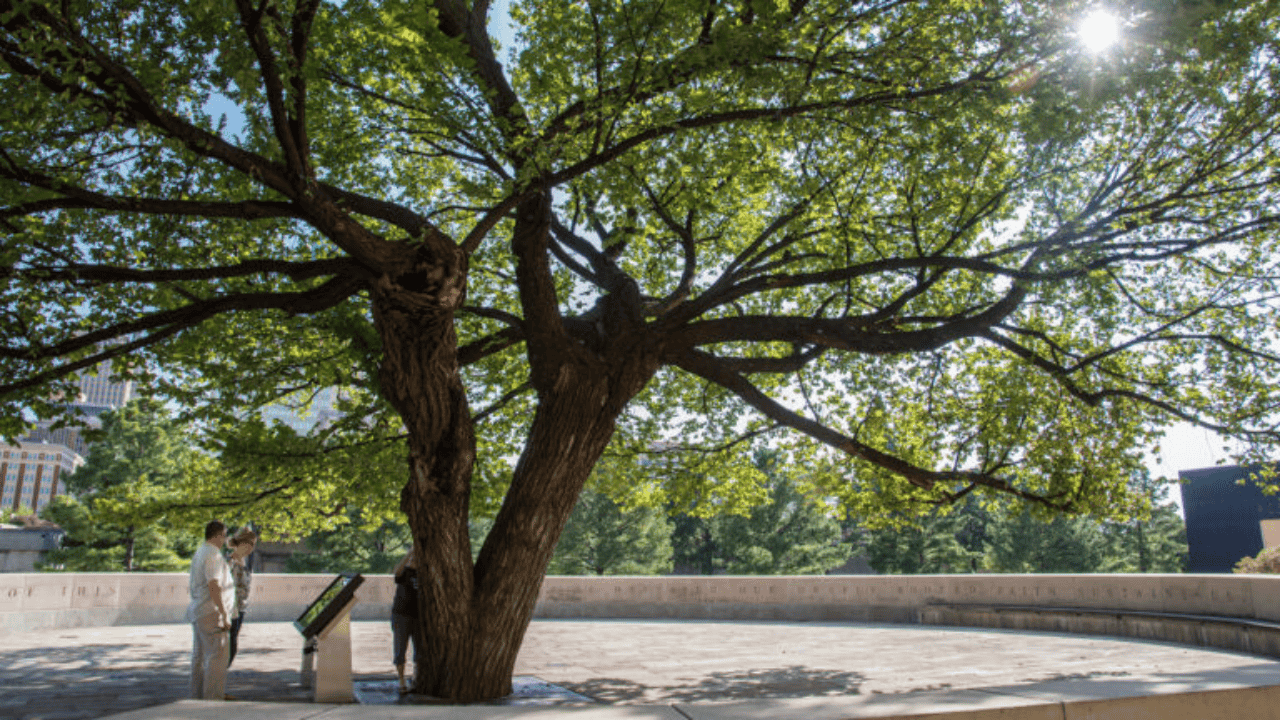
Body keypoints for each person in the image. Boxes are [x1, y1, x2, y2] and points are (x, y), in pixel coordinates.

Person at [186, 520, 234, 700]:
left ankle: (196, 696)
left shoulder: (201, 551)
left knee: (199, 657)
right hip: (210, 612)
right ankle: (212, 699)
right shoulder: (213, 554)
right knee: (216, 657)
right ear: (217, 535)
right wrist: (223, 613)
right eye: (224, 535)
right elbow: (214, 585)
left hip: (199, 611)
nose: (225, 539)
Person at [391, 549, 425, 694]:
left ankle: (416, 679)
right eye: (412, 559)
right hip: (401, 615)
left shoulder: (424, 574)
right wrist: (410, 552)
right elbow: (396, 573)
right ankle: (401, 681)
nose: (413, 561)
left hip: (418, 616)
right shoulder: (404, 572)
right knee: (400, 649)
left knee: (419, 650)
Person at [225, 527, 258, 669]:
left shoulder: (243, 562)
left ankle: (219, 684)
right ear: (243, 543)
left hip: (240, 608)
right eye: (251, 544)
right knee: (229, 648)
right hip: (231, 610)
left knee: (232, 646)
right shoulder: (230, 562)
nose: (252, 548)